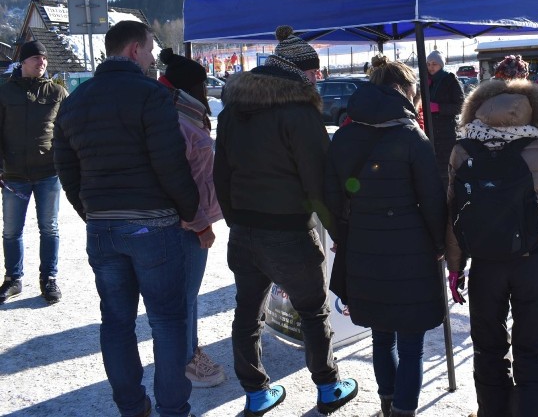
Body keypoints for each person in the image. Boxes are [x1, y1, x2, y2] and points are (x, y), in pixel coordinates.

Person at [53, 20, 200, 417]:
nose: (154, 58)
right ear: (134, 50)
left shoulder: (74, 102)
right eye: (151, 50)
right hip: (153, 224)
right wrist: (191, 212)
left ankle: (133, 408)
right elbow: (170, 164)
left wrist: (91, 212)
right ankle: (172, 409)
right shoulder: (150, 95)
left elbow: (67, 170)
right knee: (168, 323)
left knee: (116, 322)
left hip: (103, 226)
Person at [213, 25, 357, 417]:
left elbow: (220, 176)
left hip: (244, 232)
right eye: (314, 73)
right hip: (289, 231)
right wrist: (340, 230)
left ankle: (256, 393)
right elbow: (320, 182)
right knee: (313, 311)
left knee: (247, 313)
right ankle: (328, 387)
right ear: (298, 73)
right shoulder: (300, 114)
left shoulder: (231, 113)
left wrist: (235, 218)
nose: (318, 79)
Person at [324, 59, 446, 417]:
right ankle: (403, 411)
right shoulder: (411, 135)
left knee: (381, 335)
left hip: (362, 247)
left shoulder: (344, 134)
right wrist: (440, 243)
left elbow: (330, 194)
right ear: (405, 92)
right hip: (412, 251)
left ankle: (387, 401)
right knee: (411, 344)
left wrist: (341, 233)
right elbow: (433, 197)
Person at [445, 76, 538, 417]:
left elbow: (453, 214)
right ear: (534, 112)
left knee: (487, 349)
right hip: (532, 262)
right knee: (533, 351)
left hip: (484, 265)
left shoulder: (462, 149)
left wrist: (455, 268)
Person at [157, 48, 226, 389]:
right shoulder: (180, 120)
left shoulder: (178, 112)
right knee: (184, 295)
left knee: (185, 295)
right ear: (192, 87)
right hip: (187, 222)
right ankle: (186, 361)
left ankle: (186, 353)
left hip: (188, 218)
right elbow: (181, 178)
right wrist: (199, 223)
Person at [0, 40, 67, 305]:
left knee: (49, 228)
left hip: (48, 173)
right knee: (11, 230)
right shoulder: (5, 93)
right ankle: (12, 279)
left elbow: (68, 130)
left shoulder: (57, 93)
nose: (42, 63)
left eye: (45, 59)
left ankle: (48, 279)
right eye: (37, 58)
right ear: (23, 62)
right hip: (14, 174)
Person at [424, 50, 464, 188]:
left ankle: (449, 197)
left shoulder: (450, 80)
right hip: (430, 132)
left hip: (447, 133)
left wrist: (439, 108)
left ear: (441, 65)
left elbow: (461, 106)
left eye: (434, 64)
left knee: (446, 169)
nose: (431, 67)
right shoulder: (426, 82)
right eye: (428, 64)